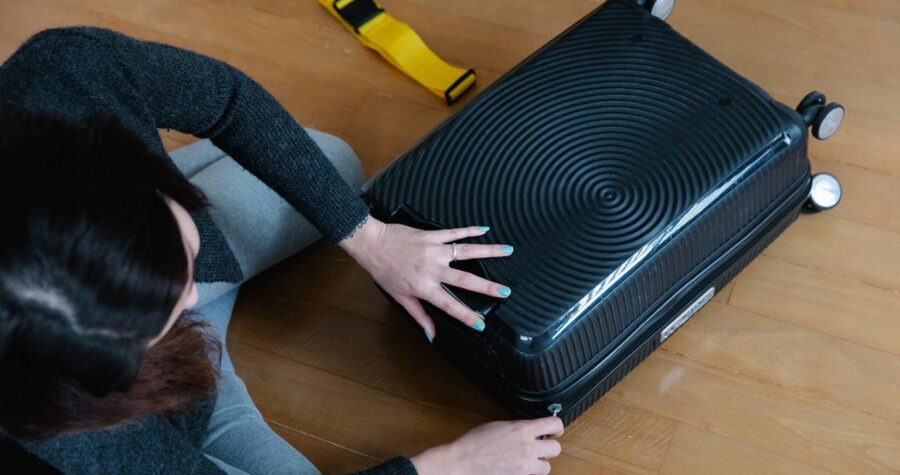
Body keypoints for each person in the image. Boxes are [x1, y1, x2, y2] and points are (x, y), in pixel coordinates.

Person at [0, 27, 564, 474]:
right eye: (170, 306)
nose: (195, 288)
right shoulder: (60, 429)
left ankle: (198, 332)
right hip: (153, 435)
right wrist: (444, 467)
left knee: (333, 166)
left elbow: (226, 100)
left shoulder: (63, 72)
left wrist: (370, 238)